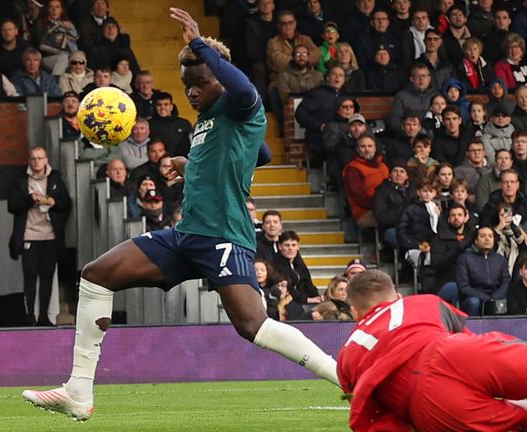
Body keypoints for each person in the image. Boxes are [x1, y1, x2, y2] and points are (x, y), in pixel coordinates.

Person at [22, 10, 340, 420]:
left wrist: (200, 43)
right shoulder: (208, 121)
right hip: (187, 235)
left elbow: (245, 95)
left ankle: (346, 376)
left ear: (219, 78)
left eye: (199, 83)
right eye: (186, 85)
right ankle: (78, 391)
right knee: (96, 275)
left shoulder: (241, 105)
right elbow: (256, 154)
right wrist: (188, 163)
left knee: (253, 326)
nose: (190, 92)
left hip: (224, 235)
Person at [338, 269, 527, 432]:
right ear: (395, 294)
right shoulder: (420, 302)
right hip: (456, 351)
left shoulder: (348, 353)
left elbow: (373, 413)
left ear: (354, 311)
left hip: (423, 400)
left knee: (520, 422)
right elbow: (467, 337)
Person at [8, 146, 71, 327]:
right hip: (29, 235)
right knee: (30, 275)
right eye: (33, 158)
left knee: (47, 276)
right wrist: (30, 199)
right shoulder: (21, 180)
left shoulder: (55, 178)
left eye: (40, 158)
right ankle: (30, 316)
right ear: (29, 160)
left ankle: (44, 315)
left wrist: (53, 202)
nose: (36, 161)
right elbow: (12, 205)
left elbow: (66, 204)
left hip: (50, 236)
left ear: (46, 160)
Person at [342, 133, 389, 229]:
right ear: (357, 149)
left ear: (375, 148)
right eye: (363, 146)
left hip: (387, 208)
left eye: (370, 146)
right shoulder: (353, 169)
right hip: (364, 212)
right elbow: (359, 196)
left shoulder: (383, 166)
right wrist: (381, 206)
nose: (367, 149)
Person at [148, 92, 193, 158]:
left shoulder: (184, 123)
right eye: (159, 105)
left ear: (171, 106)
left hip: (181, 161)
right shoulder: (149, 124)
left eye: (166, 104)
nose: (162, 107)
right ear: (155, 107)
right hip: (157, 164)